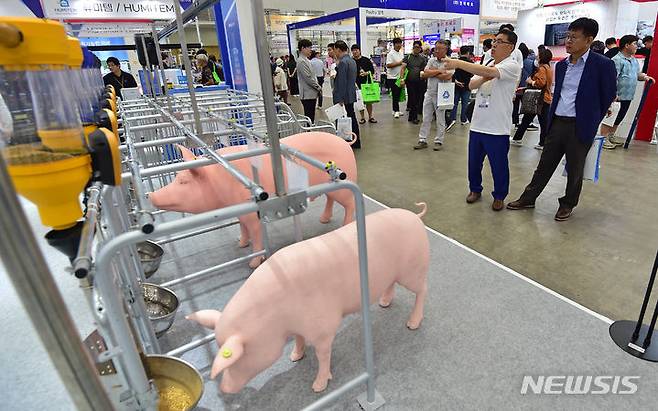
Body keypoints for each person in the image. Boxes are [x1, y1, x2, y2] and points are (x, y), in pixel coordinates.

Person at [507, 18, 617, 221]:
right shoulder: (563, 65)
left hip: (580, 125)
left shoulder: (603, 65)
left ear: (589, 40)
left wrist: (592, 120)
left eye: (574, 37)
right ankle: (528, 198)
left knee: (575, 168)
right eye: (567, 36)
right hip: (557, 122)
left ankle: (567, 204)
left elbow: (608, 95)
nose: (568, 41)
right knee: (544, 164)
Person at [443, 28, 522, 211]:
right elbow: (471, 84)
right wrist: (488, 73)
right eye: (494, 41)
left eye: (499, 41)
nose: (494, 44)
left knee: (499, 166)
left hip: (497, 128)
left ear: (510, 47)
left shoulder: (512, 65)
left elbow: (484, 74)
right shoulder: (489, 63)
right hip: (478, 124)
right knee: (474, 163)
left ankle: (500, 195)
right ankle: (475, 190)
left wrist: (459, 63)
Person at [601, 34, 655, 150]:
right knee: (610, 117)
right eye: (634, 44)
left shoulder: (634, 61)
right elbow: (612, 78)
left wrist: (645, 77)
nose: (637, 46)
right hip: (616, 96)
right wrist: (613, 93)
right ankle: (603, 138)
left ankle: (611, 136)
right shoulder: (617, 60)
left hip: (628, 95)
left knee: (620, 117)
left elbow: (636, 75)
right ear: (626, 45)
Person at [414, 40, 454, 151]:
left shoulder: (450, 62)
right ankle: (422, 140)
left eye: (439, 48)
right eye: (435, 48)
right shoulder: (431, 60)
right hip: (429, 92)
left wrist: (433, 72)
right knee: (426, 117)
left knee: (440, 119)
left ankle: (439, 141)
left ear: (445, 49)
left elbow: (446, 77)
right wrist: (439, 71)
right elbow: (424, 74)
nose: (436, 50)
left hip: (442, 95)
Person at [511, 48, 554, 149]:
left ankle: (518, 139)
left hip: (539, 99)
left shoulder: (542, 69)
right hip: (545, 98)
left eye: (538, 56)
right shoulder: (548, 68)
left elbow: (541, 83)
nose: (536, 57)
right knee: (541, 122)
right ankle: (541, 142)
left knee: (529, 120)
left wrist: (531, 81)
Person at [332, 40, 360, 149]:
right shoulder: (351, 61)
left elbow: (342, 82)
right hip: (351, 93)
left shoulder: (343, 62)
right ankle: (356, 141)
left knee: (346, 117)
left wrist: (340, 98)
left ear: (338, 49)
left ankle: (349, 140)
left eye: (335, 50)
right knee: (351, 116)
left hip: (344, 95)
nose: (334, 52)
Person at [401, 40, 428, 124]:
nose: (417, 49)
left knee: (418, 99)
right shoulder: (408, 57)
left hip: (420, 82)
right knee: (412, 99)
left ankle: (411, 116)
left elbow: (425, 69)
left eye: (418, 47)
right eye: (415, 47)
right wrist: (402, 79)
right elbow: (403, 68)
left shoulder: (423, 58)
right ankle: (414, 117)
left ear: (420, 48)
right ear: (413, 47)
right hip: (410, 82)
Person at [447, 45, 474, 130]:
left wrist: (456, 81)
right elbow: (472, 74)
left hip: (456, 85)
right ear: (468, 53)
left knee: (454, 103)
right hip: (467, 86)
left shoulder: (455, 62)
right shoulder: (470, 63)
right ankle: (463, 119)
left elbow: (451, 73)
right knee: (465, 103)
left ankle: (452, 119)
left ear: (460, 52)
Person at [296, 39, 322, 123]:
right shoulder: (301, 61)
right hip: (307, 94)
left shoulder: (306, 60)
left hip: (311, 93)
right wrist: (318, 87)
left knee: (311, 116)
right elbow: (308, 78)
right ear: (303, 48)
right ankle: (308, 132)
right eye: (309, 47)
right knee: (309, 116)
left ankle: (310, 131)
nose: (310, 50)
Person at [512, 43, 537, 128]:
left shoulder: (514, 62)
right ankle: (527, 123)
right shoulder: (531, 63)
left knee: (515, 106)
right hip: (527, 87)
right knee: (527, 106)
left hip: (515, 87)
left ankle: (515, 122)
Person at [351, 44, 377, 124]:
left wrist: (366, 73)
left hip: (367, 84)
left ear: (359, 51)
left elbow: (372, 71)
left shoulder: (366, 60)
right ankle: (362, 117)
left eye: (356, 50)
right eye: (353, 50)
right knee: (360, 102)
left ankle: (370, 116)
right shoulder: (351, 61)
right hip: (356, 85)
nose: (355, 52)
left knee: (369, 101)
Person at [386, 38, 405, 118]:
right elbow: (388, 65)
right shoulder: (390, 54)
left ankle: (396, 110)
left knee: (399, 94)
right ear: (394, 44)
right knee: (395, 94)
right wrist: (399, 63)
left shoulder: (401, 53)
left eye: (400, 43)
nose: (399, 45)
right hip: (392, 78)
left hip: (399, 77)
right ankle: (396, 110)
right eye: (397, 43)